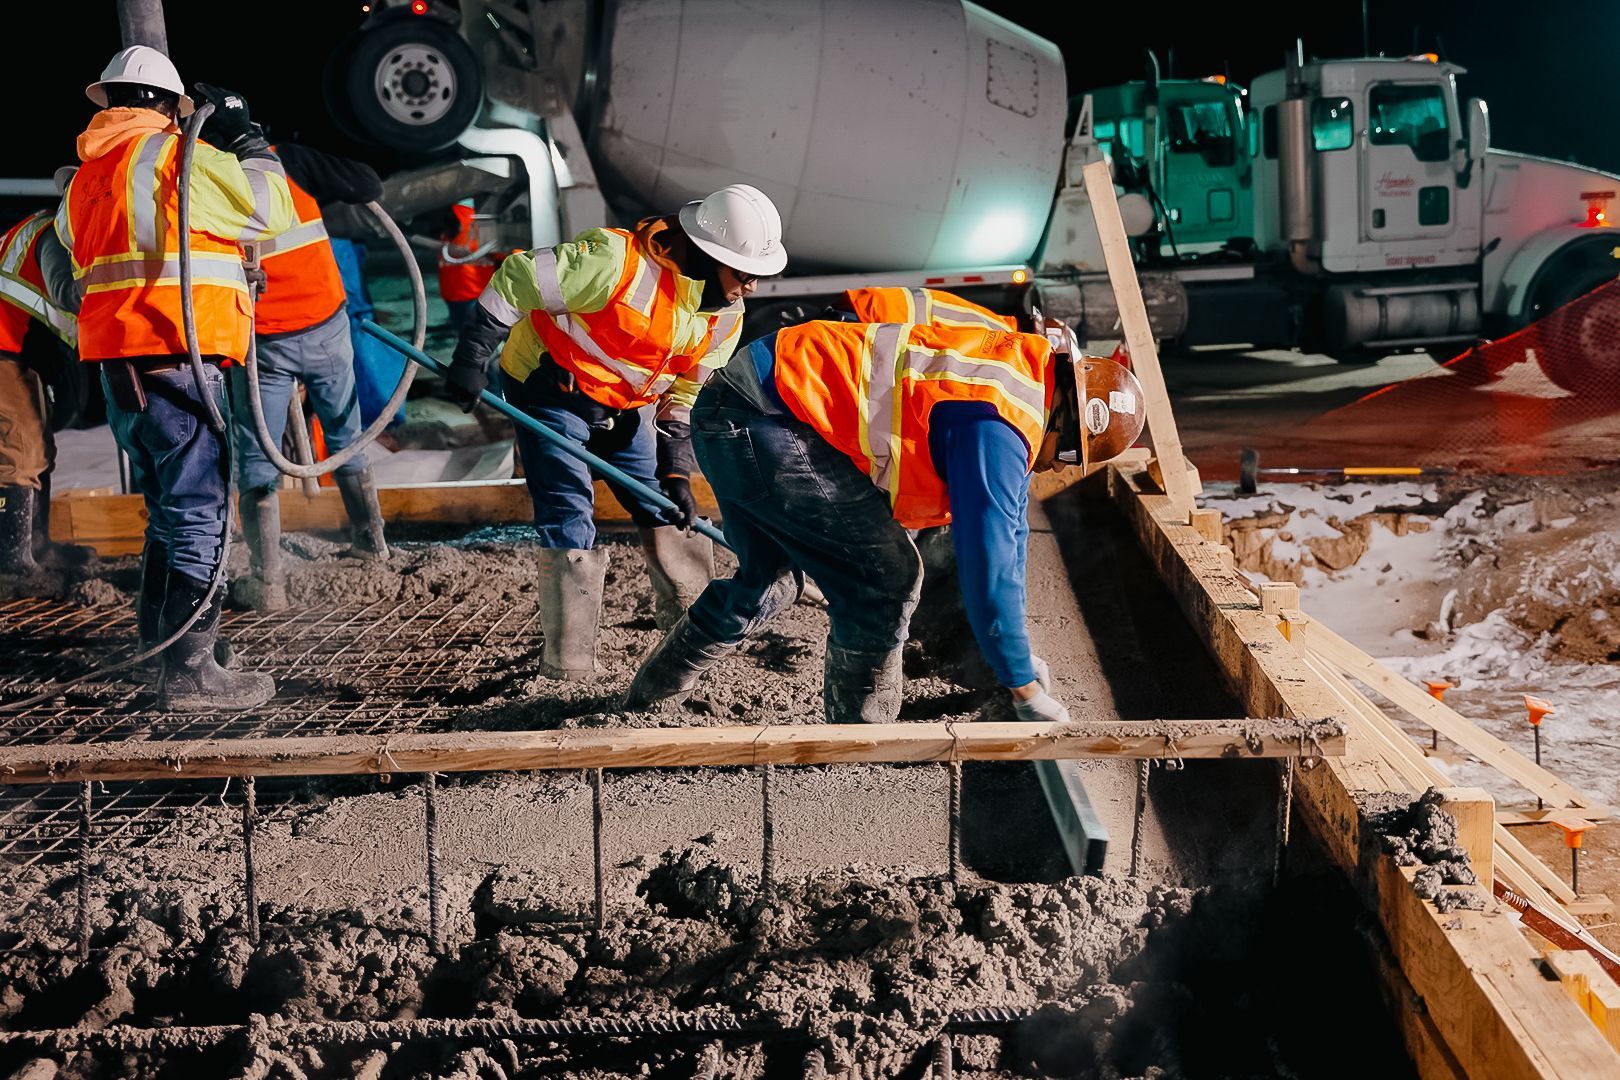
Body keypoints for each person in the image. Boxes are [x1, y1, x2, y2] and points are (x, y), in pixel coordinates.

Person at [623, 299, 1145, 724]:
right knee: (884, 579)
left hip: (746, 402)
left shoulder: (1025, 384)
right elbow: (987, 565)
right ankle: (859, 748)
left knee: (769, 583)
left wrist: (1018, 656)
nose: (1053, 469)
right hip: (763, 417)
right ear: (1070, 437)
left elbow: (1011, 536)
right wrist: (1023, 687)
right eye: (1065, 460)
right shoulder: (998, 427)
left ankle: (642, 705)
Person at [444, 184, 785, 679]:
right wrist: (472, 356)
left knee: (665, 507)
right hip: (549, 389)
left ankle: (692, 633)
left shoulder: (725, 315)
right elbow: (519, 279)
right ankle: (570, 666)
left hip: (627, 407)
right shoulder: (615, 261)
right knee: (567, 507)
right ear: (710, 255)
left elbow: (685, 395)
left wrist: (677, 473)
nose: (751, 287)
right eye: (745, 273)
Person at [42, 48, 292, 711]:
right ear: (174, 107)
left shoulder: (87, 177)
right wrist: (248, 138)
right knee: (198, 511)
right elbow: (274, 209)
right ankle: (190, 674)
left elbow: (92, 253)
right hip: (176, 357)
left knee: (169, 508)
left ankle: (160, 645)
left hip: (120, 365)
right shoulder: (181, 161)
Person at [228, 141, 389, 610]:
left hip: (263, 340)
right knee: (347, 435)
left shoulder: (200, 179)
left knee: (258, 451)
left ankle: (269, 580)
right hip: (323, 325)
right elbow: (366, 183)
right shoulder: (288, 160)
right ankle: (371, 544)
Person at [0, 191, 90, 574]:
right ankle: (11, 561)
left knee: (37, 446)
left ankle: (37, 546)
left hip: (16, 348)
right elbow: (69, 295)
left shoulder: (43, 229)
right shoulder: (54, 235)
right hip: (5, 347)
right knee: (19, 449)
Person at [437, 198, 499, 334]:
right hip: (470, 292)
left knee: (467, 337)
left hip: (457, 293)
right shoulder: (477, 223)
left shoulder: (452, 225)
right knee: (478, 339)